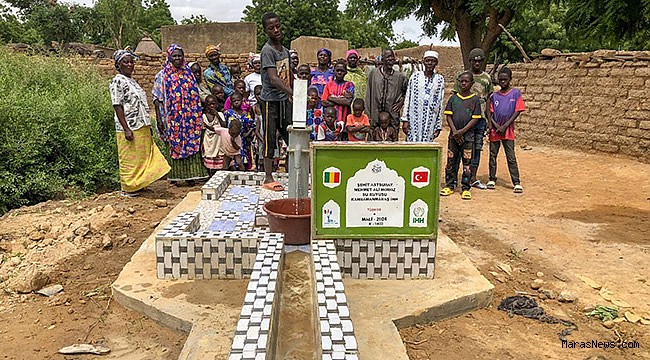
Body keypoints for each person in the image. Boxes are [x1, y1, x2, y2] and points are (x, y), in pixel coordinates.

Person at [110, 49, 170, 197]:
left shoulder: (133, 82)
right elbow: (117, 105)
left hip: (141, 124)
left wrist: (148, 125)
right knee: (129, 158)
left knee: (142, 157)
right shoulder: (117, 81)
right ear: (118, 65)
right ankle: (129, 187)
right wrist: (126, 129)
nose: (130, 64)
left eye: (131, 61)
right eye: (126, 62)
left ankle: (141, 184)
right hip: (129, 125)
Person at [152, 44, 208, 184]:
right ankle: (176, 177)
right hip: (172, 119)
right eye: (175, 55)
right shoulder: (163, 75)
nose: (177, 58)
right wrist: (159, 119)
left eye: (180, 55)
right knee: (174, 143)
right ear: (169, 57)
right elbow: (157, 99)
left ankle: (191, 177)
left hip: (190, 118)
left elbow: (195, 94)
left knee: (191, 142)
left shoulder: (188, 74)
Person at [259, 12, 293, 191]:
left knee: (291, 138)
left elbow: (288, 75)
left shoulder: (285, 51)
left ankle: (297, 175)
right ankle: (268, 177)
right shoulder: (267, 51)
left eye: (278, 26)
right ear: (266, 31)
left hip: (283, 101)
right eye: (271, 28)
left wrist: (294, 94)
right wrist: (293, 92)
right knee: (270, 138)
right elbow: (274, 78)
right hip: (269, 102)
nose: (276, 30)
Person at [454, 47, 494, 189]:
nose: (477, 63)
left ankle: (473, 178)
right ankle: (454, 177)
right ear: (470, 61)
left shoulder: (486, 78)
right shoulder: (462, 76)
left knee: (477, 148)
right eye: (474, 60)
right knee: (460, 147)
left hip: (480, 119)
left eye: (480, 61)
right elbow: (455, 98)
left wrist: (489, 120)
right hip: (464, 120)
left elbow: (489, 99)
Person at [441, 71, 482, 200]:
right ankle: (450, 185)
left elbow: (475, 119)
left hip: (468, 137)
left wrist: (462, 131)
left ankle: (465, 187)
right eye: (461, 81)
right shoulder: (453, 98)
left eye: (466, 81)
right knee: (451, 161)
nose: (463, 83)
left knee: (467, 163)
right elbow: (448, 116)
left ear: (472, 83)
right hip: (453, 137)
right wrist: (455, 132)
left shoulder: (475, 99)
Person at [487, 67, 524, 193]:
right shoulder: (494, 96)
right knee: (493, 155)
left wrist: (505, 126)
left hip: (508, 130)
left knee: (511, 156)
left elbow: (517, 111)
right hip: (495, 131)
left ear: (510, 80)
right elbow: (490, 113)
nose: (502, 82)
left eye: (505, 80)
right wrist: (496, 126)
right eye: (500, 79)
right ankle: (492, 178)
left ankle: (516, 182)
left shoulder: (515, 94)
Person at [401, 50, 445, 142]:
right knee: (412, 146)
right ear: (423, 62)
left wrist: (438, 126)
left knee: (427, 147)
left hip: (430, 120)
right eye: (427, 60)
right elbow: (408, 98)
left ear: (436, 63)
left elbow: (440, 103)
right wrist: (405, 120)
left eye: (432, 61)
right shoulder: (415, 77)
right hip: (414, 119)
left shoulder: (439, 79)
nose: (430, 63)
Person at [366, 48, 407, 129]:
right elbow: (368, 94)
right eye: (388, 57)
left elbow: (409, 92)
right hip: (375, 116)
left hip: (392, 117)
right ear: (382, 59)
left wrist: (401, 103)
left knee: (392, 138)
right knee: (374, 138)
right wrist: (368, 115)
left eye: (392, 57)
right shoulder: (374, 74)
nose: (391, 59)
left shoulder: (400, 76)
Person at [321, 60, 355, 138]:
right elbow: (324, 102)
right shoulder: (328, 85)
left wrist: (331, 98)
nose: (340, 73)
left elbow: (348, 102)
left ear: (346, 72)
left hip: (345, 120)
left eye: (342, 71)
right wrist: (340, 100)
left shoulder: (349, 85)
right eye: (337, 70)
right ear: (334, 71)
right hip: (330, 123)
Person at [224, 92, 255, 170]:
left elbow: (252, 125)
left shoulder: (245, 114)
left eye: (238, 100)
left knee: (242, 159)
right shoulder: (228, 113)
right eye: (234, 101)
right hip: (231, 138)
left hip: (243, 140)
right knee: (231, 159)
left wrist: (248, 134)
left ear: (242, 101)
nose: (236, 102)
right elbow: (224, 124)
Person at [201, 94, 226, 174]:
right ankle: (211, 175)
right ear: (206, 106)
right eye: (209, 104)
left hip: (219, 140)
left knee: (220, 157)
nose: (212, 106)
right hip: (209, 140)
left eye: (213, 104)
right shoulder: (204, 116)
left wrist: (217, 115)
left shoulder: (220, 114)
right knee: (210, 155)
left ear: (217, 104)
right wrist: (201, 143)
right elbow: (203, 130)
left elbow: (224, 125)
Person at [252, 85, 265, 171]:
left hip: (268, 134)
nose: (259, 96)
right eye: (257, 94)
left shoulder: (269, 106)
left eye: (261, 94)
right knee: (259, 154)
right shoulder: (254, 107)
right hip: (259, 135)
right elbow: (254, 122)